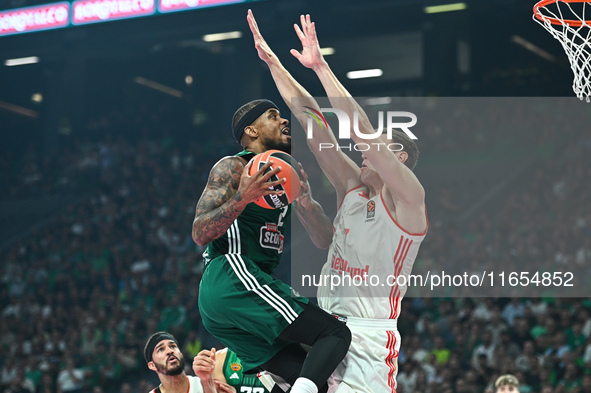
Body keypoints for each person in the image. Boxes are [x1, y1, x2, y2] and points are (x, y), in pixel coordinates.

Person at [247, 10, 428, 393]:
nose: (366, 152)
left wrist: (322, 67)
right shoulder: (352, 189)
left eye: (383, 145)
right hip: (324, 332)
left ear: (401, 160)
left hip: (367, 343)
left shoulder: (409, 201)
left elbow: (361, 131)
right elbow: (312, 120)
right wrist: (274, 63)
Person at [192, 51, 351, 393]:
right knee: (335, 334)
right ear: (251, 130)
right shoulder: (233, 167)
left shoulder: (284, 173)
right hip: (232, 274)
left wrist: (306, 204)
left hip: (238, 291)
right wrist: (242, 198)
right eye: (273, 116)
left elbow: (324, 240)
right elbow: (199, 233)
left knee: (311, 380)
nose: (283, 121)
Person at [143, 331, 234, 393]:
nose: (170, 351)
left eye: (173, 346)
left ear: (181, 355)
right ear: (152, 365)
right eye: (161, 349)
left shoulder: (207, 384)